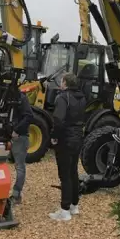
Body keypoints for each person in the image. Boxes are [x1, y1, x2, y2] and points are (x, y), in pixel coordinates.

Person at [48, 72, 87, 221]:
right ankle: (74, 206)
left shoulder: (63, 97)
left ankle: (64, 210)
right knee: (73, 172)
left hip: (65, 138)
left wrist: (54, 137)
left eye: (62, 81)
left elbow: (58, 119)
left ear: (65, 83)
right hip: (78, 137)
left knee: (64, 174)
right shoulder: (82, 97)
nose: (61, 83)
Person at [9, 90, 34, 204]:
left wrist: (17, 130)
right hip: (10, 135)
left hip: (19, 136)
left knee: (19, 166)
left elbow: (29, 116)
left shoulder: (20, 97)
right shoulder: (8, 96)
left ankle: (16, 194)